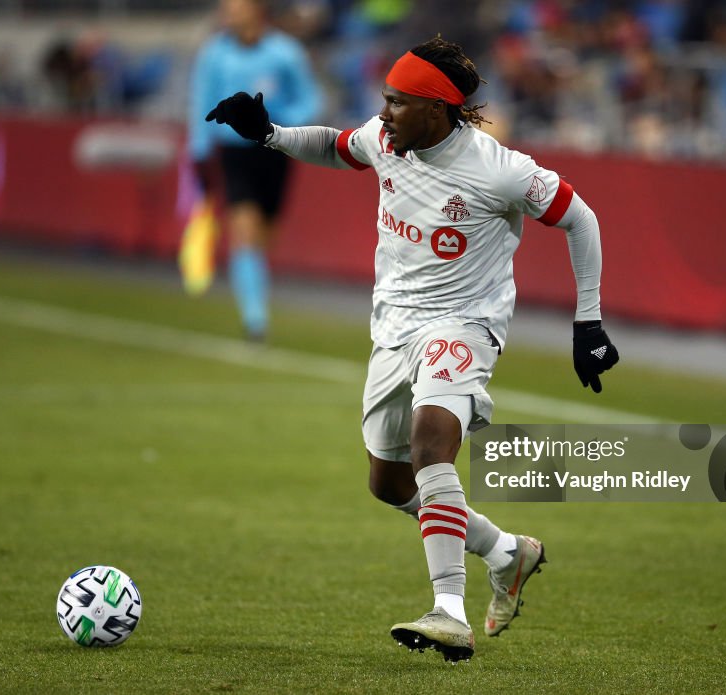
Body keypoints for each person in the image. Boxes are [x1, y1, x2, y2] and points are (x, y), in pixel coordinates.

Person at [206, 36, 619, 662]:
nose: (384, 113)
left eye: (397, 103)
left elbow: (579, 218)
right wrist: (270, 133)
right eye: (384, 101)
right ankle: (508, 554)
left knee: (432, 443)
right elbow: (337, 147)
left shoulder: (499, 169)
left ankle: (448, 612)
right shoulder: (387, 139)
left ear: (437, 109)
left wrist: (587, 322)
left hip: (464, 324)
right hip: (393, 329)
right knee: (389, 482)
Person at [189, 0, 322, 341]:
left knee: (265, 236)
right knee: (244, 230)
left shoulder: (284, 52)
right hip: (234, 152)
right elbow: (201, 103)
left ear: (256, 9)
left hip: (275, 149)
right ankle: (255, 320)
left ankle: (254, 299)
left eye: (237, 6)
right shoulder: (214, 54)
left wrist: (279, 125)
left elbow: (310, 99)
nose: (229, 13)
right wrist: (199, 150)